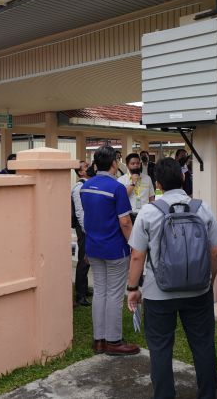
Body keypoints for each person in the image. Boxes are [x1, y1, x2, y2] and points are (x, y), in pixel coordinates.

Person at [126, 157, 217, 399]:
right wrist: (208, 282)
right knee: (203, 346)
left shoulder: (148, 212)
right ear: (183, 177)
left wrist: (132, 288)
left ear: (158, 184)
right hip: (198, 292)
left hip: (158, 293)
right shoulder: (202, 208)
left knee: (160, 349)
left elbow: (137, 256)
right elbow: (215, 251)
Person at [79, 145, 139, 356]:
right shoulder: (117, 188)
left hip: (93, 247)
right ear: (114, 163)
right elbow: (125, 222)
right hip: (114, 249)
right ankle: (113, 341)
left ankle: (99, 340)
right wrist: (134, 246)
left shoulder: (85, 186)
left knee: (100, 292)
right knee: (114, 294)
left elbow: (88, 217)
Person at [71, 160, 94, 307]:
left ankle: (84, 289)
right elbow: (80, 212)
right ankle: (80, 295)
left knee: (87, 258)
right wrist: (87, 229)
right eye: (86, 166)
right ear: (80, 172)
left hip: (87, 226)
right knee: (83, 260)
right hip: (84, 227)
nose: (89, 167)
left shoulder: (87, 184)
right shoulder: (79, 187)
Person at [117, 153, 155, 220]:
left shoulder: (147, 178)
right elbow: (122, 197)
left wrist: (151, 212)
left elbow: (151, 198)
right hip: (129, 215)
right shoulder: (121, 180)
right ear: (127, 165)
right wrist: (133, 183)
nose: (136, 165)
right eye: (133, 163)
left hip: (145, 214)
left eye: (138, 163)